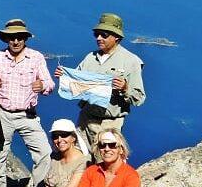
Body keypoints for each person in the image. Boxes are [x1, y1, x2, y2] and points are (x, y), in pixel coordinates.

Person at [0, 18, 56, 187]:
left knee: (44, 153)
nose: (15, 41)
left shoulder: (36, 58)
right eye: (11, 37)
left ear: (25, 38)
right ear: (6, 39)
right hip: (2, 113)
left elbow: (49, 83)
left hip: (28, 115)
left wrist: (44, 87)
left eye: (19, 37)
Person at [55, 13, 146, 147]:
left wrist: (125, 88)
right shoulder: (90, 58)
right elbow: (77, 83)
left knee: (105, 161)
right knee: (82, 161)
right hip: (85, 120)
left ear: (116, 37)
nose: (98, 38)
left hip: (109, 124)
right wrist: (64, 76)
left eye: (104, 35)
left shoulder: (131, 61)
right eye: (96, 34)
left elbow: (139, 98)